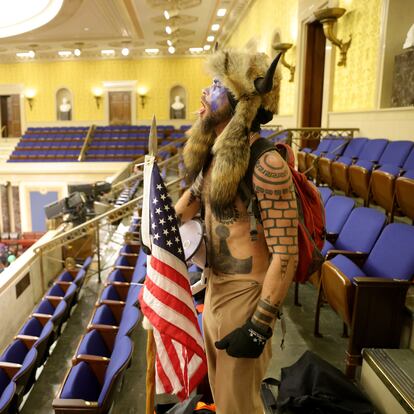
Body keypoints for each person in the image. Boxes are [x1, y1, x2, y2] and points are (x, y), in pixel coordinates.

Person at [175, 49, 299, 414]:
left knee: (238, 403)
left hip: (246, 297)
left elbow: (286, 253)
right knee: (220, 392)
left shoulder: (268, 165)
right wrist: (159, 230)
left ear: (240, 100)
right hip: (214, 286)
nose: (205, 92)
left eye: (215, 85)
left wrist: (260, 324)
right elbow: (192, 200)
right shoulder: (217, 156)